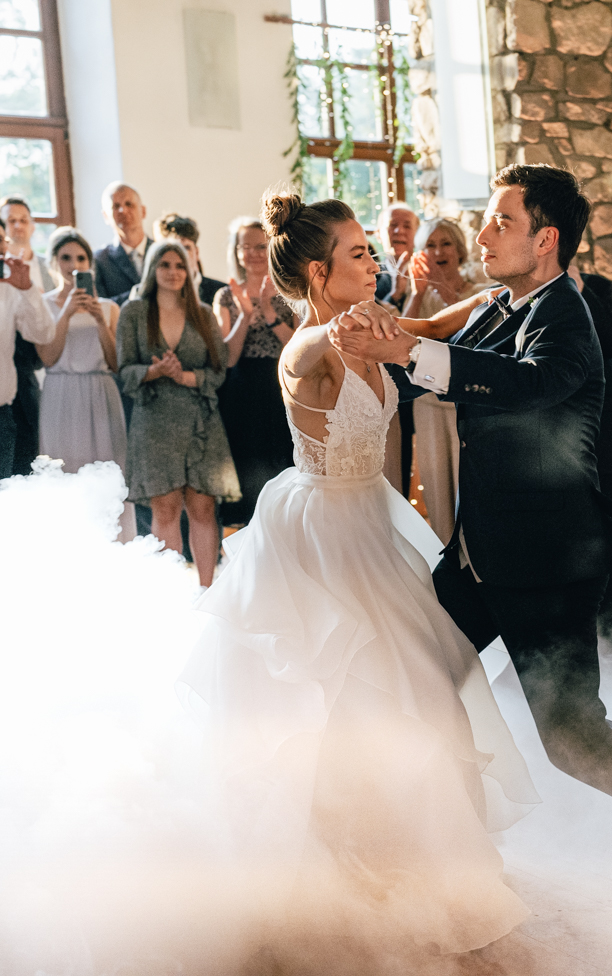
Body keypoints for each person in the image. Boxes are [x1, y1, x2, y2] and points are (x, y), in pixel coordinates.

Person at [331, 163, 612, 914]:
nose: (483, 234)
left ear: (546, 240)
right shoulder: (502, 305)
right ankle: (423, 852)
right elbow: (430, 361)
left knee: (571, 735)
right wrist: (359, 335)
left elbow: (521, 383)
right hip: (481, 552)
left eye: (501, 222)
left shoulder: (567, 317)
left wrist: (402, 351)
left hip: (548, 560)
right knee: (407, 671)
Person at [177, 188, 541, 961]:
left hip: (373, 526)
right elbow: (315, 347)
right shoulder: (308, 350)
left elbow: (430, 330)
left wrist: (500, 296)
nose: (372, 262)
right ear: (319, 272)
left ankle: (410, 863)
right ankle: (340, 875)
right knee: (354, 702)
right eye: (357, 254)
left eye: (371, 250)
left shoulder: (369, 326)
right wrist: (345, 331)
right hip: (321, 542)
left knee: (425, 695)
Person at [117, 241, 239, 586]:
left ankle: (207, 589)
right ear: (152, 269)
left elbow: (218, 371)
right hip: (154, 421)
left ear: (189, 270)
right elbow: (124, 370)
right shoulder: (134, 312)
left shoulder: (202, 312)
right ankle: (173, 593)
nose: (173, 272)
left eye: (180, 265)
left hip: (200, 421)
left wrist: (185, 376)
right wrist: (154, 371)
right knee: (165, 509)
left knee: (203, 508)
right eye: (165, 265)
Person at [402, 218, 493, 541]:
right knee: (437, 493)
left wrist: (443, 287)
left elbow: (469, 339)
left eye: (446, 244)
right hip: (427, 404)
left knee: (470, 490)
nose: (439, 251)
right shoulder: (421, 297)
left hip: (466, 407)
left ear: (459, 250)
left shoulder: (480, 293)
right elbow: (402, 336)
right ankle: (446, 557)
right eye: (430, 245)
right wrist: (417, 294)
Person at [565, 263, 612, 642]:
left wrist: (579, 287)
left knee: (607, 560)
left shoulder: (599, 288)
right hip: (556, 452)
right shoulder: (511, 296)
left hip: (607, 447)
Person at [212, 216, 296, 525]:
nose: (252, 254)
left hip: (282, 386)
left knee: (283, 466)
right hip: (242, 391)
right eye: (244, 247)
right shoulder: (225, 296)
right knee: (249, 467)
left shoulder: (292, 292)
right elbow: (228, 358)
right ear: (236, 252)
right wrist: (245, 314)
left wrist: (270, 311)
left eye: (260, 247)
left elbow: (299, 347)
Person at [36, 228, 129, 497]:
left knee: (107, 471)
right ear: (54, 262)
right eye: (65, 258)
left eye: (81, 258)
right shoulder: (42, 304)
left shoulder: (109, 307)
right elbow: (48, 358)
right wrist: (66, 313)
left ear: (90, 264)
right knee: (63, 470)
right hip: (60, 392)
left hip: (101, 392)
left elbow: (116, 364)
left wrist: (100, 321)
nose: (73, 265)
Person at [0, 217, 56, 477]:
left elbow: (43, 333)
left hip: (3, 416)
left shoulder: (11, 289)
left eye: (1, 240)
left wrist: (27, 289)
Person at [94, 182, 153, 306]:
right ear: (105, 216)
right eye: (115, 206)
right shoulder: (99, 260)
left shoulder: (162, 252)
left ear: (143, 211)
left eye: (129, 204)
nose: (123, 211)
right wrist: (141, 292)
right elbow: (100, 305)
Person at [154, 212, 224, 306]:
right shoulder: (148, 295)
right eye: (174, 250)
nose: (180, 256)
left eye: (186, 248)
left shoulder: (221, 293)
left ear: (196, 252)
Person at [373, 202, 419, 311]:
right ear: (378, 234)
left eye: (407, 226)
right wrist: (395, 294)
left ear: (418, 234)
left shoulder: (429, 272)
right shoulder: (371, 277)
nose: (399, 231)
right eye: (392, 225)